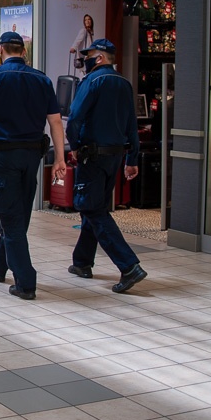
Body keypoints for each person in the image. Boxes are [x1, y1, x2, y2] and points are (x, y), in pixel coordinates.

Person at [0, 32, 66, 300]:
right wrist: (61, 159)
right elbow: (55, 122)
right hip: (33, 157)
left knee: (10, 219)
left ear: (0, 50)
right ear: (23, 52)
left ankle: (26, 282)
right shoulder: (42, 79)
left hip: (4, 157)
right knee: (19, 214)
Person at [65, 38, 147, 293]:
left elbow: (75, 117)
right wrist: (131, 159)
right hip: (114, 157)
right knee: (95, 206)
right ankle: (82, 262)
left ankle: (129, 265)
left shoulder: (92, 81)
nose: (85, 59)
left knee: (91, 207)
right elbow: (131, 125)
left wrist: (74, 146)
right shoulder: (124, 83)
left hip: (92, 156)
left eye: (88, 55)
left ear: (99, 58)